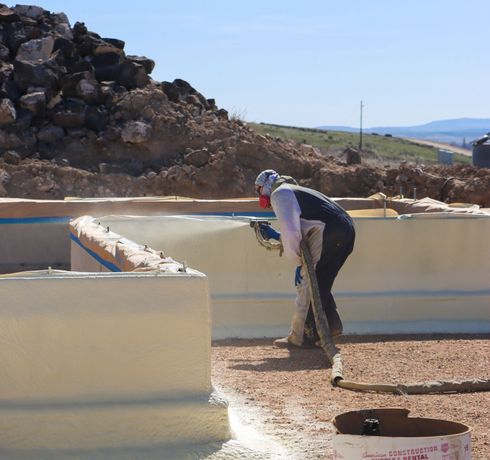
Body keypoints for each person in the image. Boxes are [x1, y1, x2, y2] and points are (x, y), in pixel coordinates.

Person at [254, 169, 355, 347]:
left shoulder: (280, 194)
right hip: (345, 229)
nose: (260, 196)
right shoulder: (294, 192)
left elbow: (292, 234)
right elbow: (302, 232)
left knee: (306, 281)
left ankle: (300, 337)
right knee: (320, 279)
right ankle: (331, 326)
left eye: (259, 190)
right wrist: (277, 236)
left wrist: (299, 263)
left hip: (330, 230)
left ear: (266, 186)